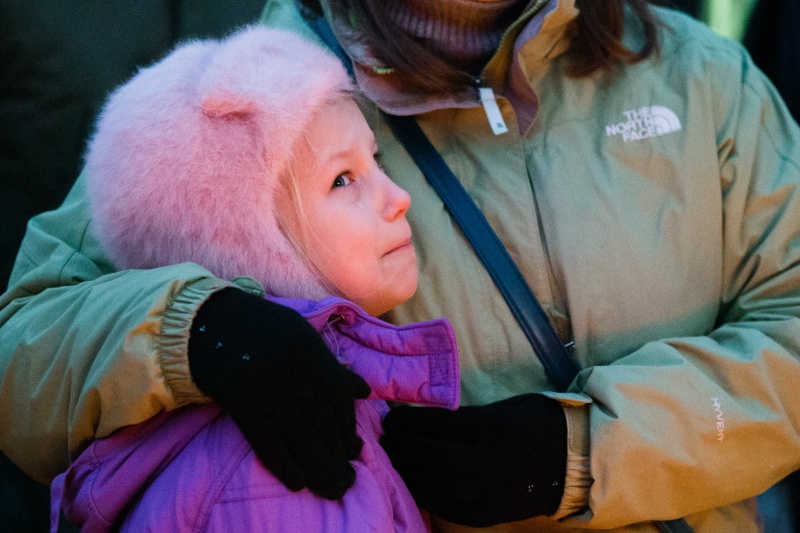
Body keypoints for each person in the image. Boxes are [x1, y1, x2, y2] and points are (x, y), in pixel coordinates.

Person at [1, 0, 799, 531]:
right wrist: (194, 330)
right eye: (351, 177)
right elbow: (24, 347)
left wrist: (588, 450)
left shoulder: (701, 79)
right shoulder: (260, 89)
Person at [49, 25, 458, 532]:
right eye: (342, 180)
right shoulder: (281, 479)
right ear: (248, 246)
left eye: (373, 160)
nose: (399, 197)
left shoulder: (297, 420)